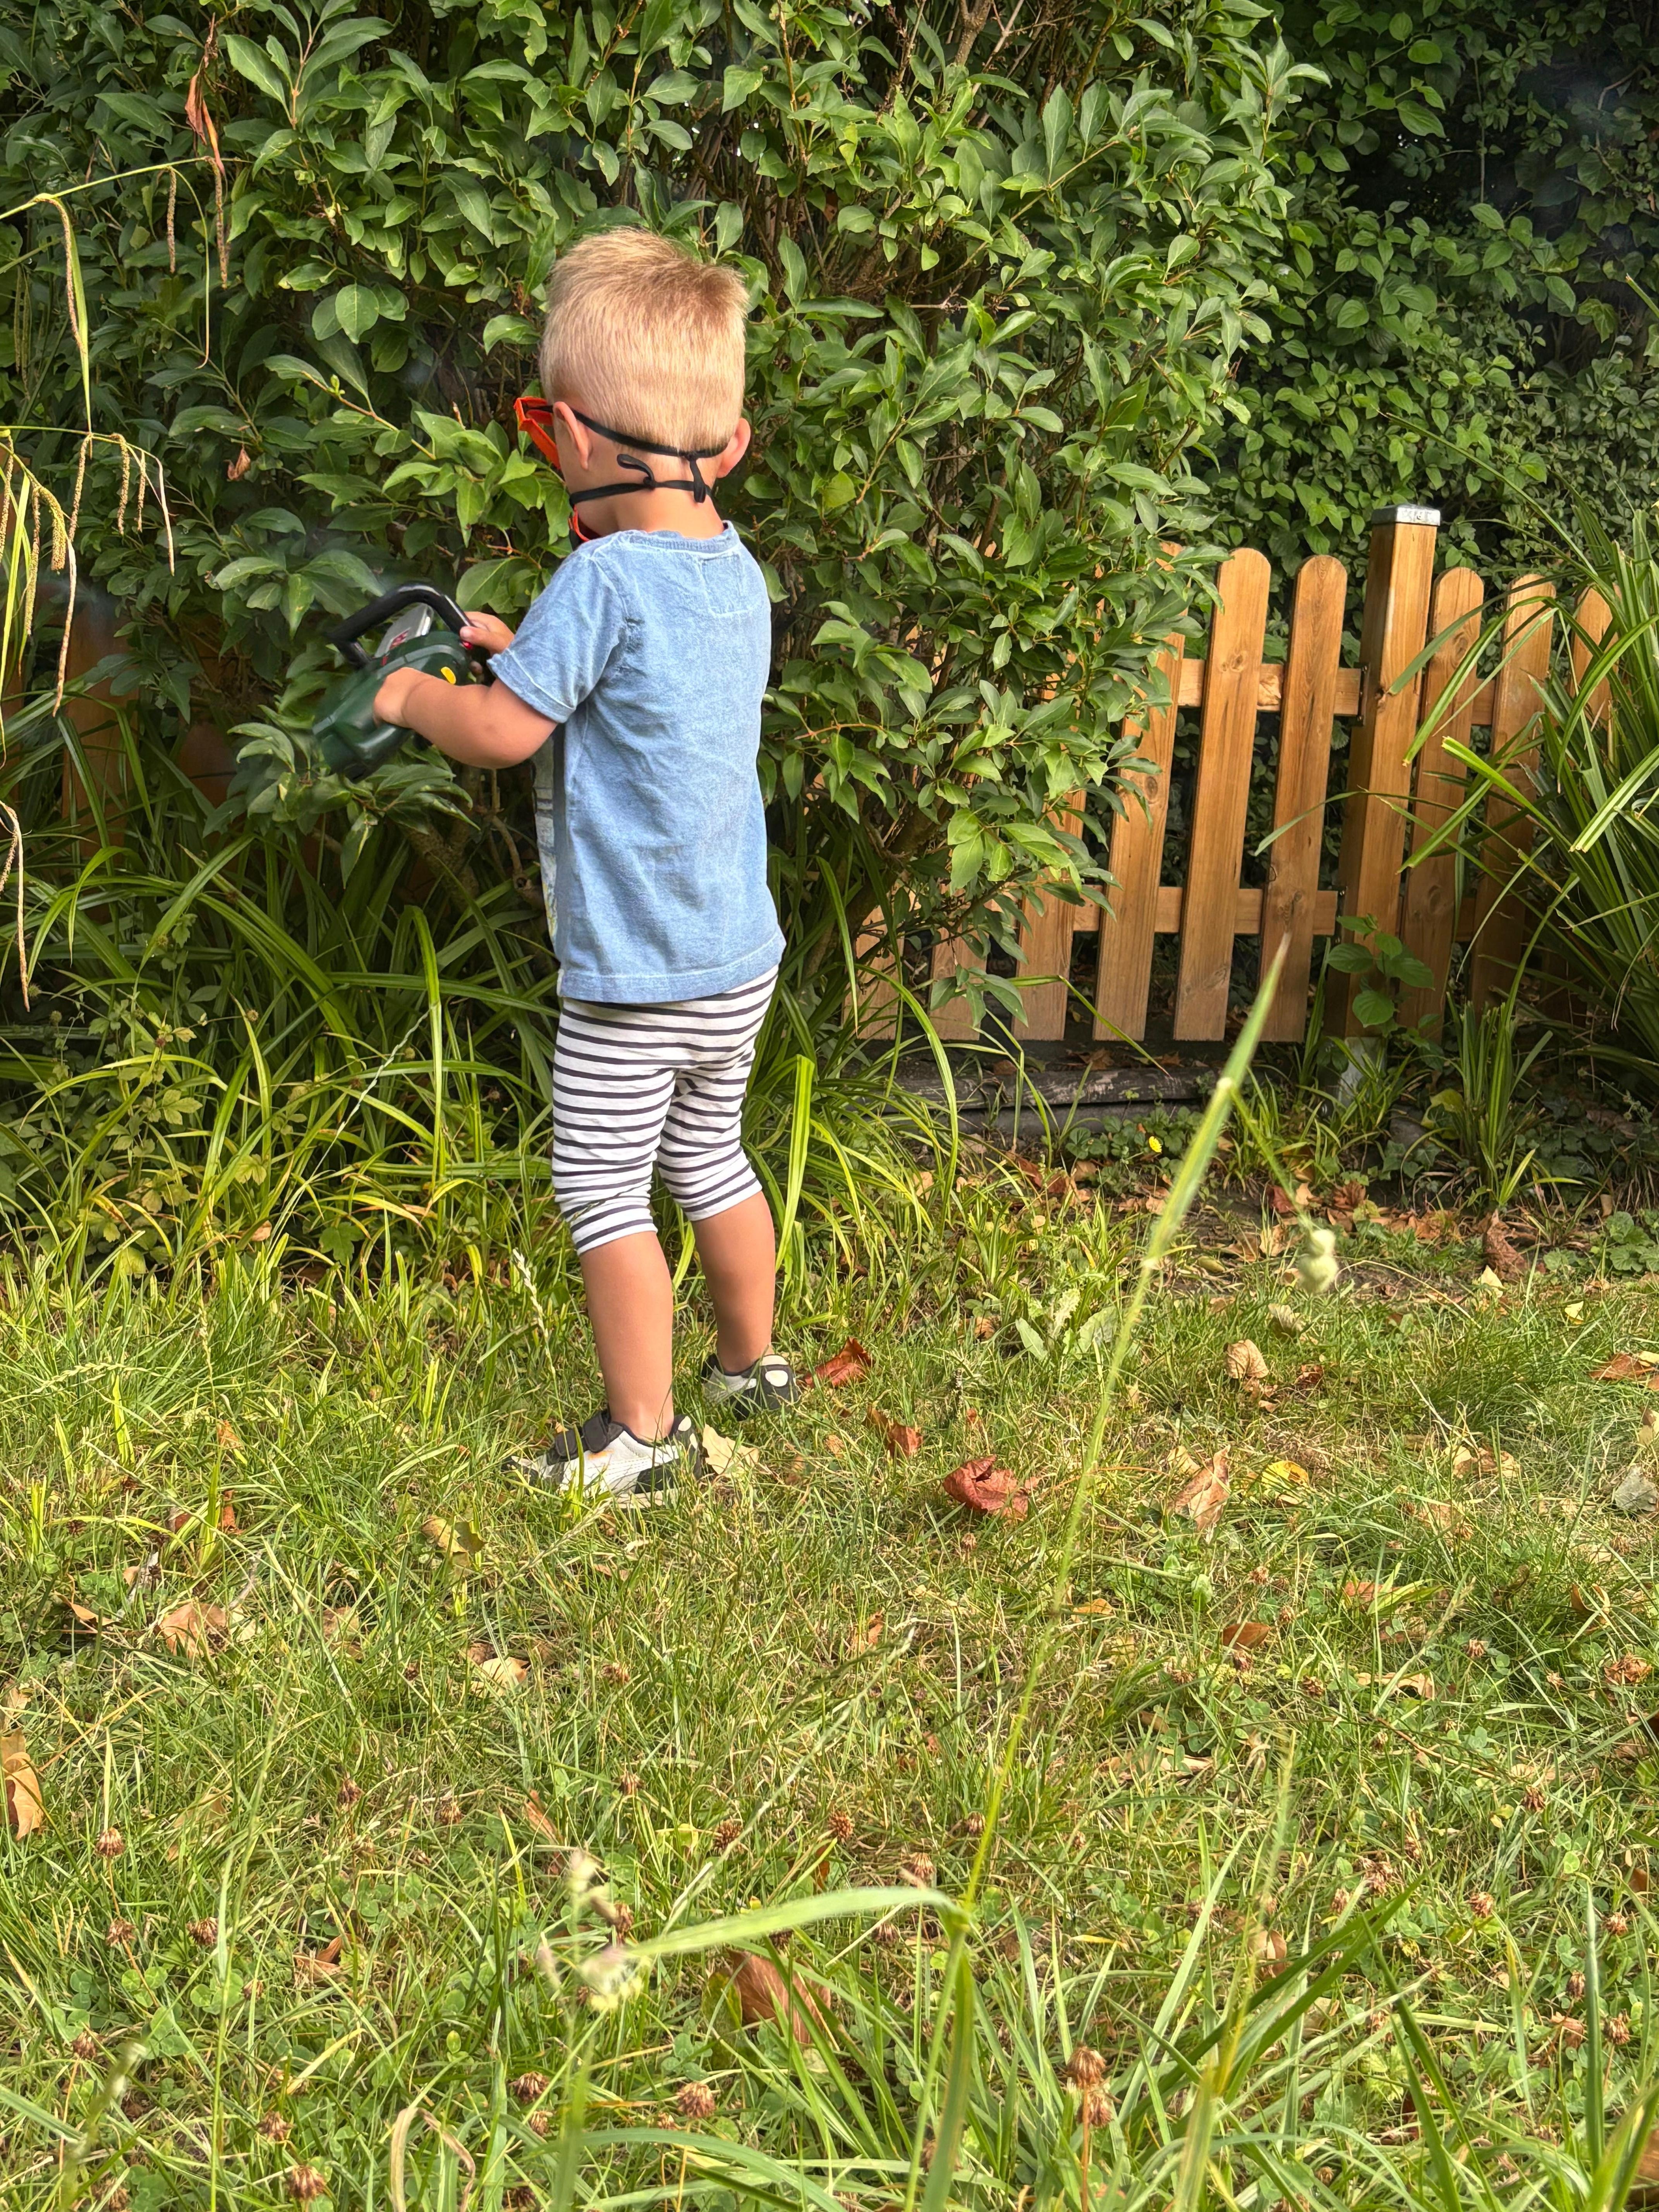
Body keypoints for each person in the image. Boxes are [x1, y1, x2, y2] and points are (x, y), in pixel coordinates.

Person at [371, 228, 797, 1505]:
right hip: (734, 959)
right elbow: (636, 695)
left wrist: (407, 697)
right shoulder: (736, 573)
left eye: (536, 424)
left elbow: (504, 735)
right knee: (711, 1151)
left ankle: (640, 1436)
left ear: (574, 433)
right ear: (722, 445)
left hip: (633, 977)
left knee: (602, 1183)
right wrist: (527, 641)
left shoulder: (600, 576)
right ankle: (751, 1365)